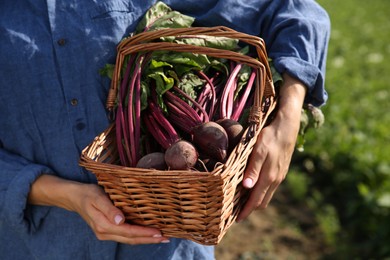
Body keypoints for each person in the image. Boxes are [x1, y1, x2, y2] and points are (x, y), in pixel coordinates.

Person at [0, 0, 330, 259]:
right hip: (37, 244)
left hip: (167, 245)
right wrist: (67, 196)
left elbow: (294, 11)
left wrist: (288, 116)